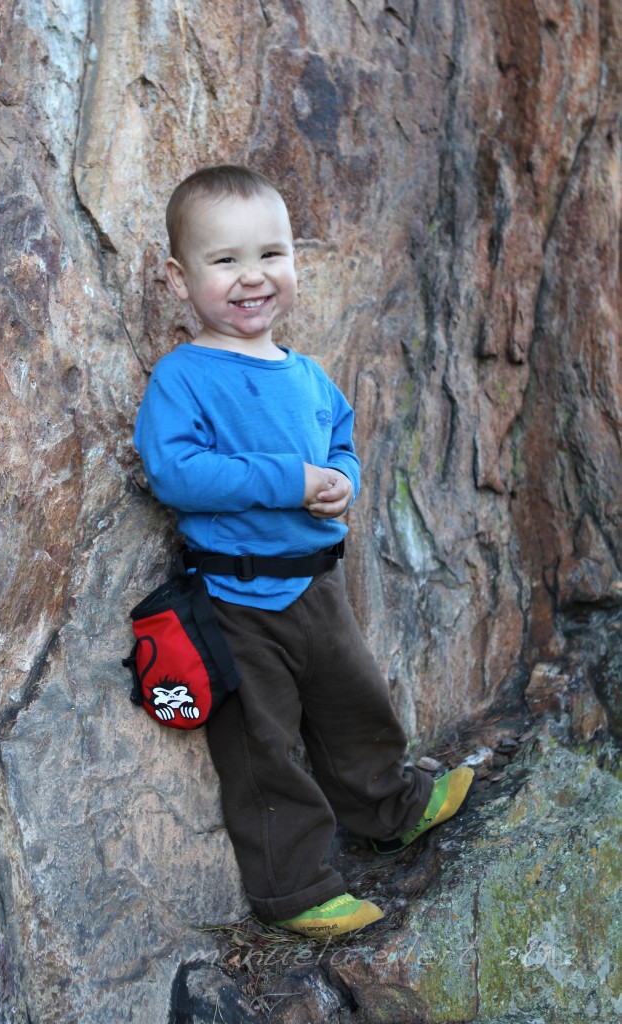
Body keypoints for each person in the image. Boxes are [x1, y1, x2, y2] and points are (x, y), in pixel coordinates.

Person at [133, 164, 474, 938]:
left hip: (319, 589)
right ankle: (296, 889)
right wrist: (291, 479)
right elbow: (175, 473)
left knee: (357, 707)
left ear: (294, 260)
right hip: (235, 602)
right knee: (264, 752)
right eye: (225, 262)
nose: (253, 278)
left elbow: (343, 446)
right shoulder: (183, 376)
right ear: (178, 278)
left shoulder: (310, 376)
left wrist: (342, 482)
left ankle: (390, 808)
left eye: (271, 255)